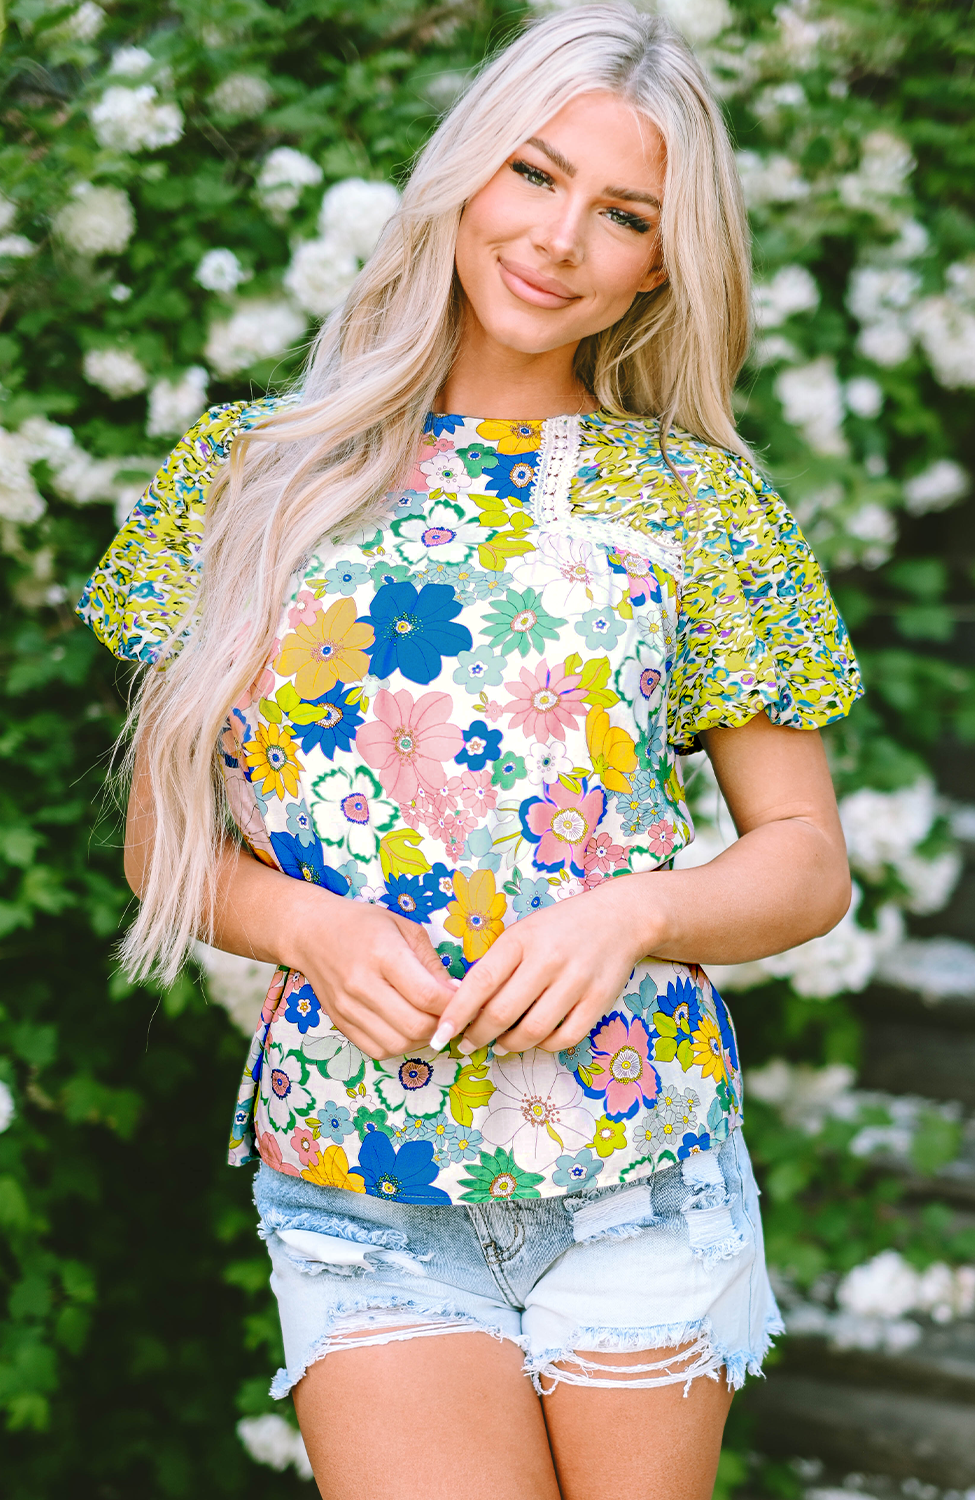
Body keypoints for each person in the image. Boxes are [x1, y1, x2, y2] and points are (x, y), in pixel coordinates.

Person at [77, 5, 861, 1496]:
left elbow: (806, 865)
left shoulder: (697, 508)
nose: (561, 237)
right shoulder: (250, 475)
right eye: (533, 173)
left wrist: (636, 909)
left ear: (659, 263)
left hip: (634, 1160)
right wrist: (304, 922)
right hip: (360, 1181)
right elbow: (161, 849)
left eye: (624, 214)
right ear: (462, 179)